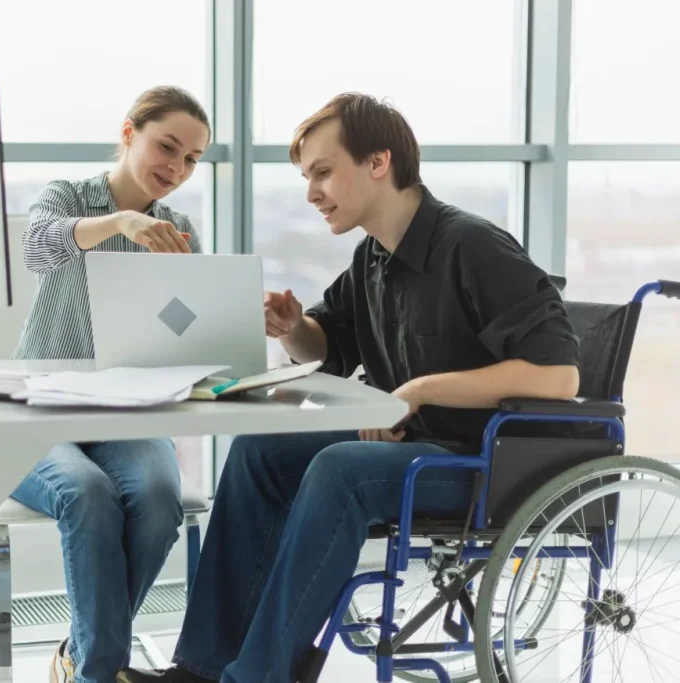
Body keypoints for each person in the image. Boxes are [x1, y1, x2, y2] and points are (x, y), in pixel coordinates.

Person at [117, 93, 580, 683]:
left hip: (484, 460)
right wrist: (292, 327)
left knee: (340, 470)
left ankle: (256, 677)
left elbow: (557, 376)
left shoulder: (472, 246)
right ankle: (200, 669)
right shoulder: (374, 258)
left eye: (323, 172)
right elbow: (327, 350)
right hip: (415, 444)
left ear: (378, 162)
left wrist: (420, 390)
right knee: (261, 451)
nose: (312, 193)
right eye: (308, 177)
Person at [9, 85, 211, 683]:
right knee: (88, 493)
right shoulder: (68, 197)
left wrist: (204, 306)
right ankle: (99, 671)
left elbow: (193, 333)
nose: (176, 168)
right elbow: (36, 249)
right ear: (129, 134)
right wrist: (120, 222)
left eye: (191, 159)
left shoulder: (179, 230)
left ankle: (81, 658)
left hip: (130, 415)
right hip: (38, 409)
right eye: (167, 147)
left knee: (158, 499)